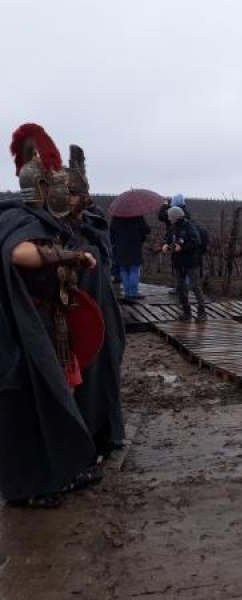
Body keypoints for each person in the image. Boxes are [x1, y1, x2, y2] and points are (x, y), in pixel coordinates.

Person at [1, 123, 102, 508]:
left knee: (60, 398)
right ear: (42, 187)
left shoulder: (46, 219)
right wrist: (72, 256)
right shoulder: (17, 218)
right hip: (25, 330)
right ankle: (31, 487)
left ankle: (63, 470)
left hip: (51, 322)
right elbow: (20, 255)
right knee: (30, 407)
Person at [63, 144, 126, 458]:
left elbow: (99, 265)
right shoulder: (55, 231)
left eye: (74, 193)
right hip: (71, 317)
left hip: (100, 311)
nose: (69, 199)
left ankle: (106, 434)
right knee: (81, 380)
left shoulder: (94, 226)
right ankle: (84, 440)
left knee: (104, 372)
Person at [161, 206, 207, 321]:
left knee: (196, 286)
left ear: (175, 217)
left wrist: (182, 248)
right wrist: (166, 244)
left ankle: (202, 313)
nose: (168, 218)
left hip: (191, 262)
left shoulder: (189, 226)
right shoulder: (172, 227)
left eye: (170, 216)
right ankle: (187, 312)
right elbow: (168, 238)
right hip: (178, 262)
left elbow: (196, 242)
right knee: (181, 288)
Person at [110, 213, 151, 301]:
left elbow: (111, 233)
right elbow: (147, 230)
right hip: (134, 247)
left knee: (124, 270)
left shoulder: (116, 216)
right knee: (134, 270)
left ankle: (127, 293)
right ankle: (133, 293)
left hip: (120, 247)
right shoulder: (137, 215)